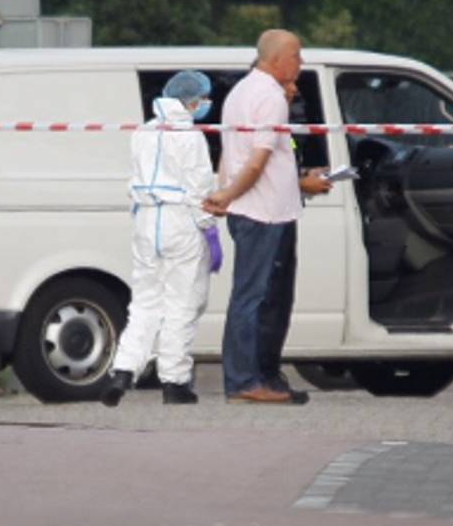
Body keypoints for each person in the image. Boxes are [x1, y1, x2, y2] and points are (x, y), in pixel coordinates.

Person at [205, 29, 331, 404]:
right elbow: (257, 162)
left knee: (263, 297)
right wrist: (228, 194)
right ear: (276, 59)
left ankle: (263, 376)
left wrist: (227, 190)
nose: (301, 63)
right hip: (265, 214)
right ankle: (246, 380)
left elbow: (240, 154)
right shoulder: (270, 97)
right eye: (297, 56)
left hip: (261, 209)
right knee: (258, 299)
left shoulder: (240, 93)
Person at [101, 70, 223, 407]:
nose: (205, 104)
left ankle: (123, 370)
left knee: (144, 302)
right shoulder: (189, 135)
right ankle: (175, 381)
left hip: (145, 221)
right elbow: (199, 187)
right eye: (203, 98)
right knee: (182, 303)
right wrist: (209, 228)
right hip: (180, 220)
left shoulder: (143, 131)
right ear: (192, 101)